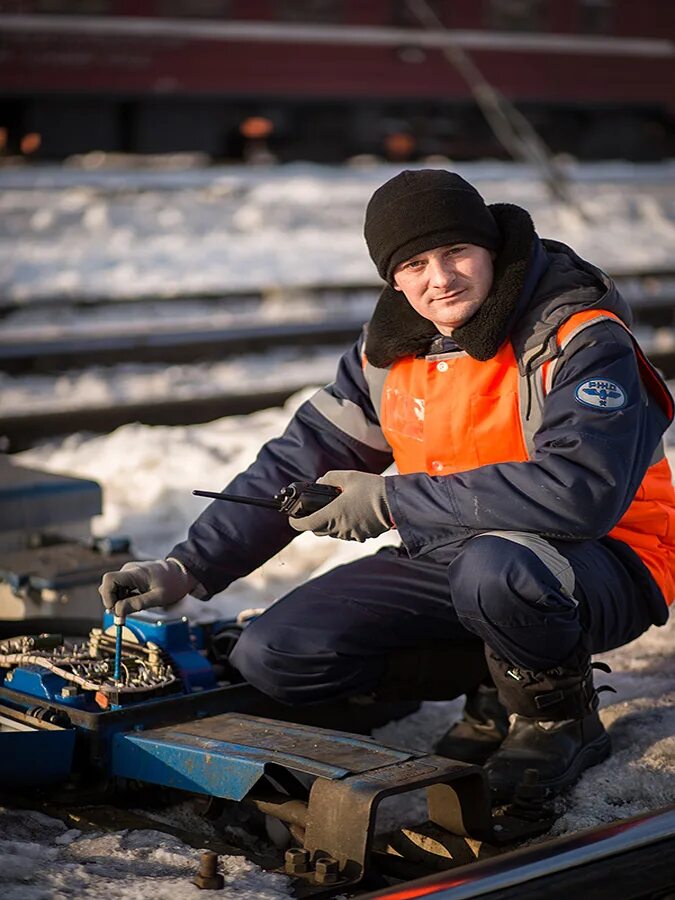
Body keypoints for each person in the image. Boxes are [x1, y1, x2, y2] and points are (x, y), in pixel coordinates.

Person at [100, 170, 675, 801]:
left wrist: (392, 501)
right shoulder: (389, 349)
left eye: (457, 252)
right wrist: (188, 566)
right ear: (393, 278)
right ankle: (498, 680)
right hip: (459, 551)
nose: (441, 278)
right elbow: (300, 457)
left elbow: (580, 492)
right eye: (415, 264)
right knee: (276, 652)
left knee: (498, 569)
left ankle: (555, 715)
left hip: (605, 560)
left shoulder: (576, 335)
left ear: (491, 248)